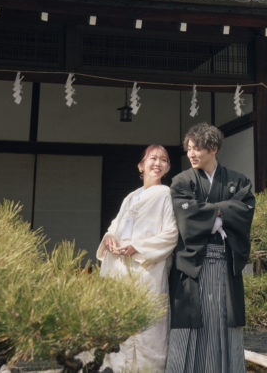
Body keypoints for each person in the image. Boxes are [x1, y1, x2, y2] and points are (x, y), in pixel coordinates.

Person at [165, 123, 255, 373]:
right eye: (189, 149)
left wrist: (210, 213)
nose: (191, 154)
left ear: (213, 148)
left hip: (225, 264)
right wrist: (223, 213)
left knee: (223, 320)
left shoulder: (239, 181)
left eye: (197, 149)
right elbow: (186, 214)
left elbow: (244, 211)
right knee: (190, 324)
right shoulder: (181, 181)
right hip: (192, 267)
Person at [96, 144, 179, 373]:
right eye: (153, 158)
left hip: (146, 269)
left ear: (168, 167)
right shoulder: (130, 196)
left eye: (163, 160)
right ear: (141, 165)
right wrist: (110, 237)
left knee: (147, 325)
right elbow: (116, 225)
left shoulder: (166, 194)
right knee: (117, 318)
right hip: (119, 267)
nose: (158, 163)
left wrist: (138, 247)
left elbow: (171, 234)